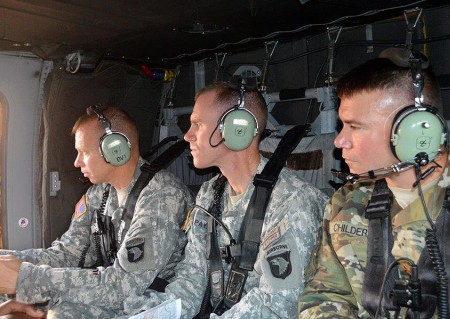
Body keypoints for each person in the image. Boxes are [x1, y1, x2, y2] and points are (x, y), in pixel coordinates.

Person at [120, 82, 328, 318]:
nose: (187, 135)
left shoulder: (292, 201)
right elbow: (193, 277)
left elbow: (277, 306)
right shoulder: (210, 193)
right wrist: (153, 312)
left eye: (197, 124)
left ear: (237, 128)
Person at [299, 51, 450, 318]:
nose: (339, 142)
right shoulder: (347, 202)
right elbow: (324, 296)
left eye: (354, 127)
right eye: (341, 125)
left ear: (418, 131)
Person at [0, 105, 194, 318]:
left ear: (115, 149)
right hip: (118, 292)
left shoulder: (162, 196)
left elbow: (123, 286)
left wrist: (27, 279)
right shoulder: (99, 194)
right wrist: (8, 261)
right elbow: (68, 253)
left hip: (151, 301)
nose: (76, 162)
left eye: (84, 152)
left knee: (62, 313)